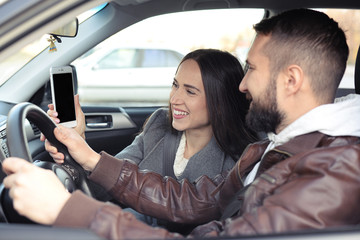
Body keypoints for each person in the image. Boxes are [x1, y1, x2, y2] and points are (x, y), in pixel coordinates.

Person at [3, 8, 360, 239]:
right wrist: (88, 157)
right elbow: (192, 200)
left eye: (250, 69)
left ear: (291, 80)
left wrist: (71, 211)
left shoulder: (333, 169)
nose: (242, 84)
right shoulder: (275, 147)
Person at [42, 48, 258, 230]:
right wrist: (76, 141)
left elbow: (198, 210)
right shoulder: (159, 126)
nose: (175, 99)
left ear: (220, 103)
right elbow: (102, 188)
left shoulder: (240, 159)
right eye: (175, 85)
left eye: (190, 92)